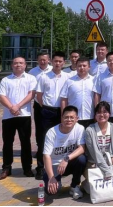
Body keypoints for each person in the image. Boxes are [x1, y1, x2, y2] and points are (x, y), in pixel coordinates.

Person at [0, 56, 37, 180]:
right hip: (8, 116)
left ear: (25, 65)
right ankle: (6, 168)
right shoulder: (5, 80)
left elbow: (31, 94)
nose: (18, 65)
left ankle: (27, 168)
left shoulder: (31, 78)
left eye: (21, 63)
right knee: (7, 143)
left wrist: (18, 106)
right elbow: (1, 96)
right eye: (15, 63)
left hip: (24, 115)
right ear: (12, 65)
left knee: (25, 143)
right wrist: (11, 107)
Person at [36, 51, 70, 179]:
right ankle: (41, 168)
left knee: (61, 139)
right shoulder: (44, 77)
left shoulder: (67, 77)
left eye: (60, 61)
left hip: (62, 111)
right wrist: (44, 107)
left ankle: (59, 167)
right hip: (47, 111)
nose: (58, 63)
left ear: (64, 63)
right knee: (44, 139)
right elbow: (39, 95)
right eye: (55, 61)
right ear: (51, 61)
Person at [43, 105, 87, 200]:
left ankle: (74, 186)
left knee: (82, 159)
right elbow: (46, 156)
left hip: (68, 163)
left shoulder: (80, 128)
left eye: (72, 117)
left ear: (77, 119)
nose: (69, 120)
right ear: (61, 118)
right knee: (51, 192)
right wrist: (51, 177)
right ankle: (55, 180)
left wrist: (66, 159)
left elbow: (82, 148)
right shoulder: (52, 132)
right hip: (54, 166)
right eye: (66, 117)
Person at [84, 101, 113, 183]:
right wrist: (106, 170)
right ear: (95, 115)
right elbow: (95, 153)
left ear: (109, 114)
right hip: (94, 162)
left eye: (105, 112)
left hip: (109, 160)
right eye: (99, 112)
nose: (101, 115)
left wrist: (107, 163)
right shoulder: (89, 130)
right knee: (93, 188)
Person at [29, 51, 51, 179]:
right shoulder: (32, 72)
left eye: (45, 59)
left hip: (53, 108)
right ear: (37, 60)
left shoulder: (53, 71)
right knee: (40, 134)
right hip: (39, 106)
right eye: (40, 60)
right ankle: (40, 166)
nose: (43, 62)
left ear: (49, 60)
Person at [60, 57, 95, 128]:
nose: (82, 68)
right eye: (79, 66)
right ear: (76, 67)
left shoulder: (94, 81)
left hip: (90, 116)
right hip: (73, 118)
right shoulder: (69, 81)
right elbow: (64, 100)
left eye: (84, 66)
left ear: (89, 67)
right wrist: (63, 115)